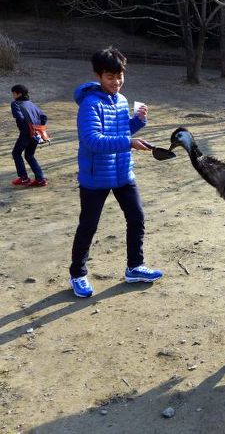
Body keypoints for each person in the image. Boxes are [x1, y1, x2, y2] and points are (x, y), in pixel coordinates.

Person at [68, 47, 163, 298]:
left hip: (122, 172)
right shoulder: (89, 104)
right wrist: (129, 143)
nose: (117, 82)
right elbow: (93, 141)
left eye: (120, 76)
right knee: (88, 225)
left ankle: (135, 267)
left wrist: (137, 122)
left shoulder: (120, 100)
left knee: (137, 217)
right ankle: (77, 273)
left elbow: (121, 132)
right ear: (98, 76)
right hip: (95, 176)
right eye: (110, 77)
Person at [10, 84, 48, 187]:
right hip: (37, 133)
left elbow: (19, 118)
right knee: (29, 155)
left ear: (19, 94)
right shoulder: (31, 103)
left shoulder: (15, 104)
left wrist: (24, 129)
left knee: (16, 153)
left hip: (26, 133)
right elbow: (44, 117)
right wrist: (38, 127)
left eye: (14, 93)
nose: (13, 95)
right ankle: (40, 179)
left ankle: (24, 178)